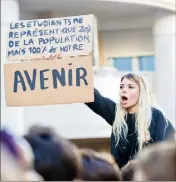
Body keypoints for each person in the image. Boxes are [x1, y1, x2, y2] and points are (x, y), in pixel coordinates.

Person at [85, 73, 175, 167]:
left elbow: (167, 148)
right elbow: (94, 98)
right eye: (121, 87)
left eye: (130, 87)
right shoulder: (116, 113)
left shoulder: (155, 115)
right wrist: (76, 81)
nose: (124, 90)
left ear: (141, 92)